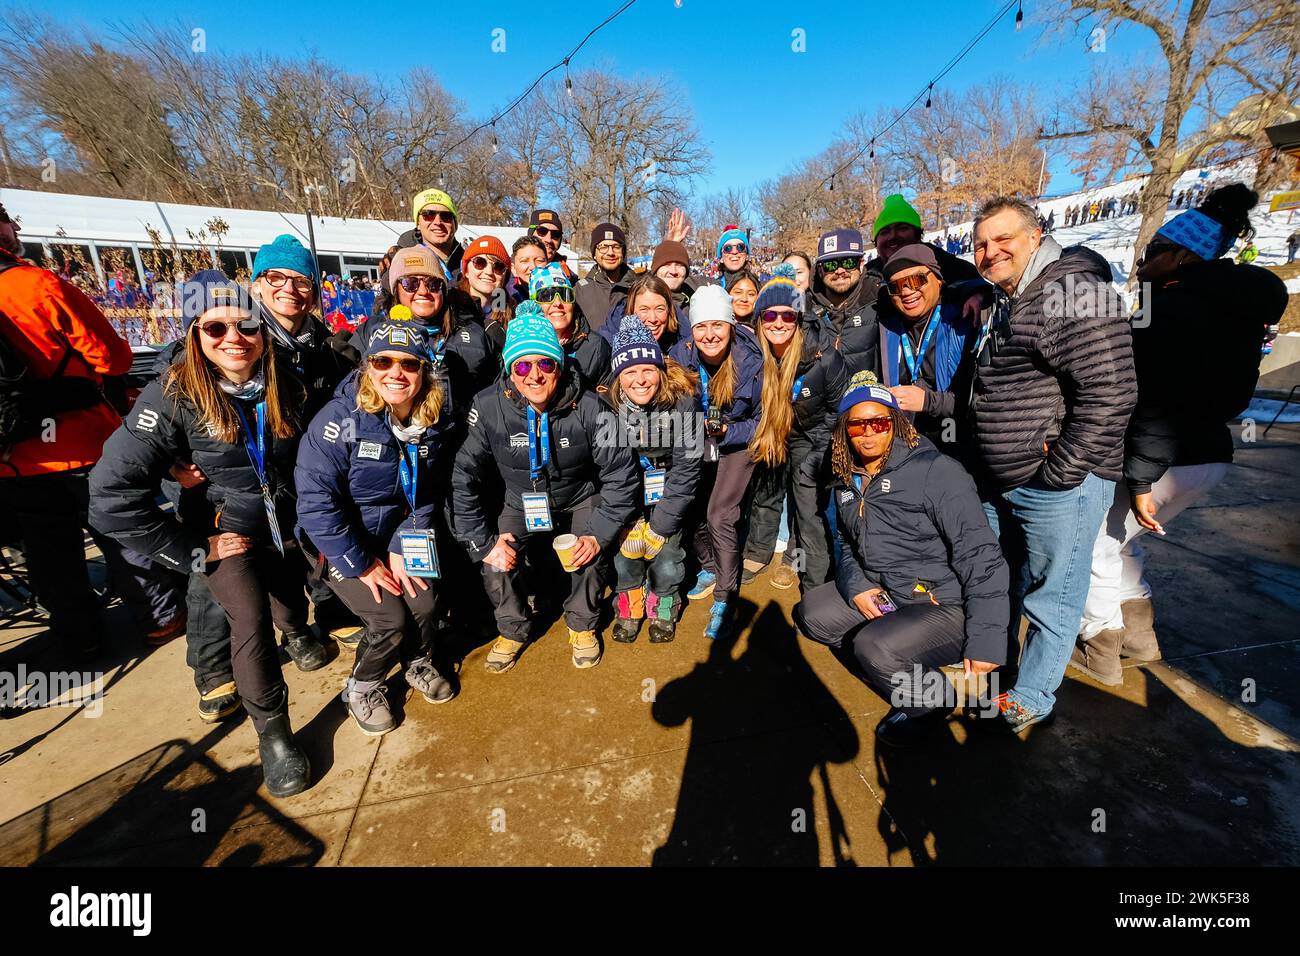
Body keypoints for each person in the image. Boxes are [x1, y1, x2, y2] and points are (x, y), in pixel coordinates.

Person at [89, 271, 314, 797]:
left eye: (247, 326)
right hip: (224, 530)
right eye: (216, 328)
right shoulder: (171, 395)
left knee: (288, 594)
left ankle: (300, 632)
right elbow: (109, 495)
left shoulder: (288, 381)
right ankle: (275, 736)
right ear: (195, 335)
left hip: (286, 522)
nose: (234, 338)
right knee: (251, 623)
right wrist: (190, 547)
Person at [1073, 185, 1289, 684]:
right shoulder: (1227, 311)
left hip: (1163, 459)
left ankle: (1100, 648)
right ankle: (1140, 636)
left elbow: (1156, 402)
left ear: (1183, 256)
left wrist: (1143, 480)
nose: (1142, 259)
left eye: (1154, 252)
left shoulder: (1173, 315)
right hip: (1210, 455)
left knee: (1092, 546)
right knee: (1119, 543)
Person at [969, 196, 1136, 733]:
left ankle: (1033, 696)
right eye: (980, 244)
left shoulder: (1074, 294)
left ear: (1036, 236)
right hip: (1009, 480)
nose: (989, 252)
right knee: (1006, 581)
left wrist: (1061, 471)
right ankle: (1006, 673)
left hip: (1056, 486)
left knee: (1053, 594)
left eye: (1003, 240)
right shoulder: (1011, 298)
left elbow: (1111, 392)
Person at [793, 373, 1008, 747]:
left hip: (943, 602)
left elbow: (981, 556)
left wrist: (987, 640)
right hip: (888, 589)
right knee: (811, 615)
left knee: (874, 647)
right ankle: (900, 665)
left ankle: (934, 701)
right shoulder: (847, 475)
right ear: (845, 430)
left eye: (879, 421)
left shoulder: (936, 471)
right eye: (858, 424)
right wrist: (858, 586)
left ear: (894, 423)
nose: (869, 432)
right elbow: (846, 542)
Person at [451, 305, 639, 672]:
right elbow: (463, 478)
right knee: (496, 560)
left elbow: (621, 475)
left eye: (545, 364)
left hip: (579, 495)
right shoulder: (488, 407)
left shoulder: (590, 407)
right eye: (522, 366)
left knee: (588, 551)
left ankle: (582, 624)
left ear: (560, 365)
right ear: (509, 370)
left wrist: (599, 535)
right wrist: (483, 543)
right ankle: (514, 628)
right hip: (520, 501)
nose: (534, 376)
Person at [296, 323, 459, 735]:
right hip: (342, 541)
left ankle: (416, 662)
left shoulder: (432, 420)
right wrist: (362, 563)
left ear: (423, 371)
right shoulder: (339, 421)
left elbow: (428, 492)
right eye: (383, 361)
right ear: (369, 367)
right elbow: (315, 503)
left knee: (425, 602)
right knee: (389, 618)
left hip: (396, 534)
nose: (395, 372)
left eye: (408, 364)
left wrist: (405, 541)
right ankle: (362, 686)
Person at [0, 200, 143, 659]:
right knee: (119, 535)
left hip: (12, 457)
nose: (17, 225)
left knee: (49, 554)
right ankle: (154, 618)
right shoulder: (35, 285)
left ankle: (79, 638)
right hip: (82, 441)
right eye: (8, 218)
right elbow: (114, 358)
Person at [742, 265, 847, 591]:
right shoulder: (753, 355)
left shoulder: (821, 357)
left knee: (806, 510)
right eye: (770, 316)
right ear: (759, 320)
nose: (778, 323)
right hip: (773, 432)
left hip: (811, 436)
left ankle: (812, 581)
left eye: (787, 316)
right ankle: (759, 551)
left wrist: (819, 453)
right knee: (766, 494)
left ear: (799, 319)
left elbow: (839, 411)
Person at [669, 285, 764, 639]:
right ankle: (710, 565)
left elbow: (763, 421)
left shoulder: (751, 362)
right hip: (697, 443)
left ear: (731, 325)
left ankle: (726, 595)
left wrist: (729, 431)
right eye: (701, 326)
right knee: (691, 504)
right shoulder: (680, 356)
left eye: (718, 325)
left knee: (720, 515)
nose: (710, 335)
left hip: (736, 442)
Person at [604, 314, 703, 644]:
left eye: (648, 369)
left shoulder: (684, 404)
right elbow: (606, 471)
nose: (641, 379)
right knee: (625, 557)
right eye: (630, 372)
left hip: (669, 492)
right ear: (619, 377)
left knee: (668, 559)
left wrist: (660, 526)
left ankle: (664, 604)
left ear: (660, 371)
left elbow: (687, 471)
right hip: (627, 497)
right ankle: (629, 606)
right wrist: (627, 518)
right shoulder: (606, 408)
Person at [359, 245, 498, 417]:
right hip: (393, 437)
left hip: (461, 439)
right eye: (410, 283)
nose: (423, 291)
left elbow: (496, 397)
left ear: (443, 290)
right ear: (396, 290)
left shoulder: (473, 333)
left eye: (433, 284)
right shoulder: (373, 331)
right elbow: (352, 395)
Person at [875, 244, 983, 456]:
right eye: (895, 287)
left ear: (939, 280)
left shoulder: (965, 321)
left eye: (916, 280)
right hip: (906, 447)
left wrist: (927, 401)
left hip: (955, 444)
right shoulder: (886, 329)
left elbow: (979, 400)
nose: (906, 291)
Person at [867, 194, 981, 288]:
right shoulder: (866, 276)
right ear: (876, 242)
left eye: (902, 228)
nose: (893, 236)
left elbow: (977, 284)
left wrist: (974, 293)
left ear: (918, 234)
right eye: (884, 232)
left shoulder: (947, 265)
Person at [808, 228, 879, 376]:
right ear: (820, 270)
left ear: (861, 264)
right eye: (830, 265)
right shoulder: (805, 307)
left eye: (848, 262)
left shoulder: (879, 300)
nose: (840, 270)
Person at [530, 262, 610, 389]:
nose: (557, 303)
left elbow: (607, 397)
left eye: (565, 295)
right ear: (533, 304)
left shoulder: (596, 346)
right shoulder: (523, 345)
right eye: (546, 295)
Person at [599, 273, 691, 356]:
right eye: (644, 309)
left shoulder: (685, 343)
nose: (653, 319)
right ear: (631, 310)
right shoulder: (606, 346)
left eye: (659, 309)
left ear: (669, 310)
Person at [392, 188, 465, 280]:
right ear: (418, 223)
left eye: (446, 216)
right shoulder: (400, 262)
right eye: (428, 215)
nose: (438, 222)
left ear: (455, 224)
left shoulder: (474, 263)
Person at [457, 234, 514, 350]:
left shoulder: (514, 317)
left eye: (498, 266)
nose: (489, 272)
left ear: (505, 277)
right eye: (479, 262)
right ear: (466, 271)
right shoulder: (450, 307)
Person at [574, 222, 634, 333]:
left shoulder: (638, 286)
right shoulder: (580, 290)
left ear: (623, 252)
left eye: (616, 247)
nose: (610, 253)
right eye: (603, 247)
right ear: (594, 254)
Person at [526, 209, 576, 281]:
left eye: (555, 234)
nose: (548, 239)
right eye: (542, 231)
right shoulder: (508, 277)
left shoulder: (572, 281)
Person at [506, 235, 548, 309]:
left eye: (539, 260)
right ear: (513, 268)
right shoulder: (506, 299)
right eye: (524, 261)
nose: (533, 267)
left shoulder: (559, 295)